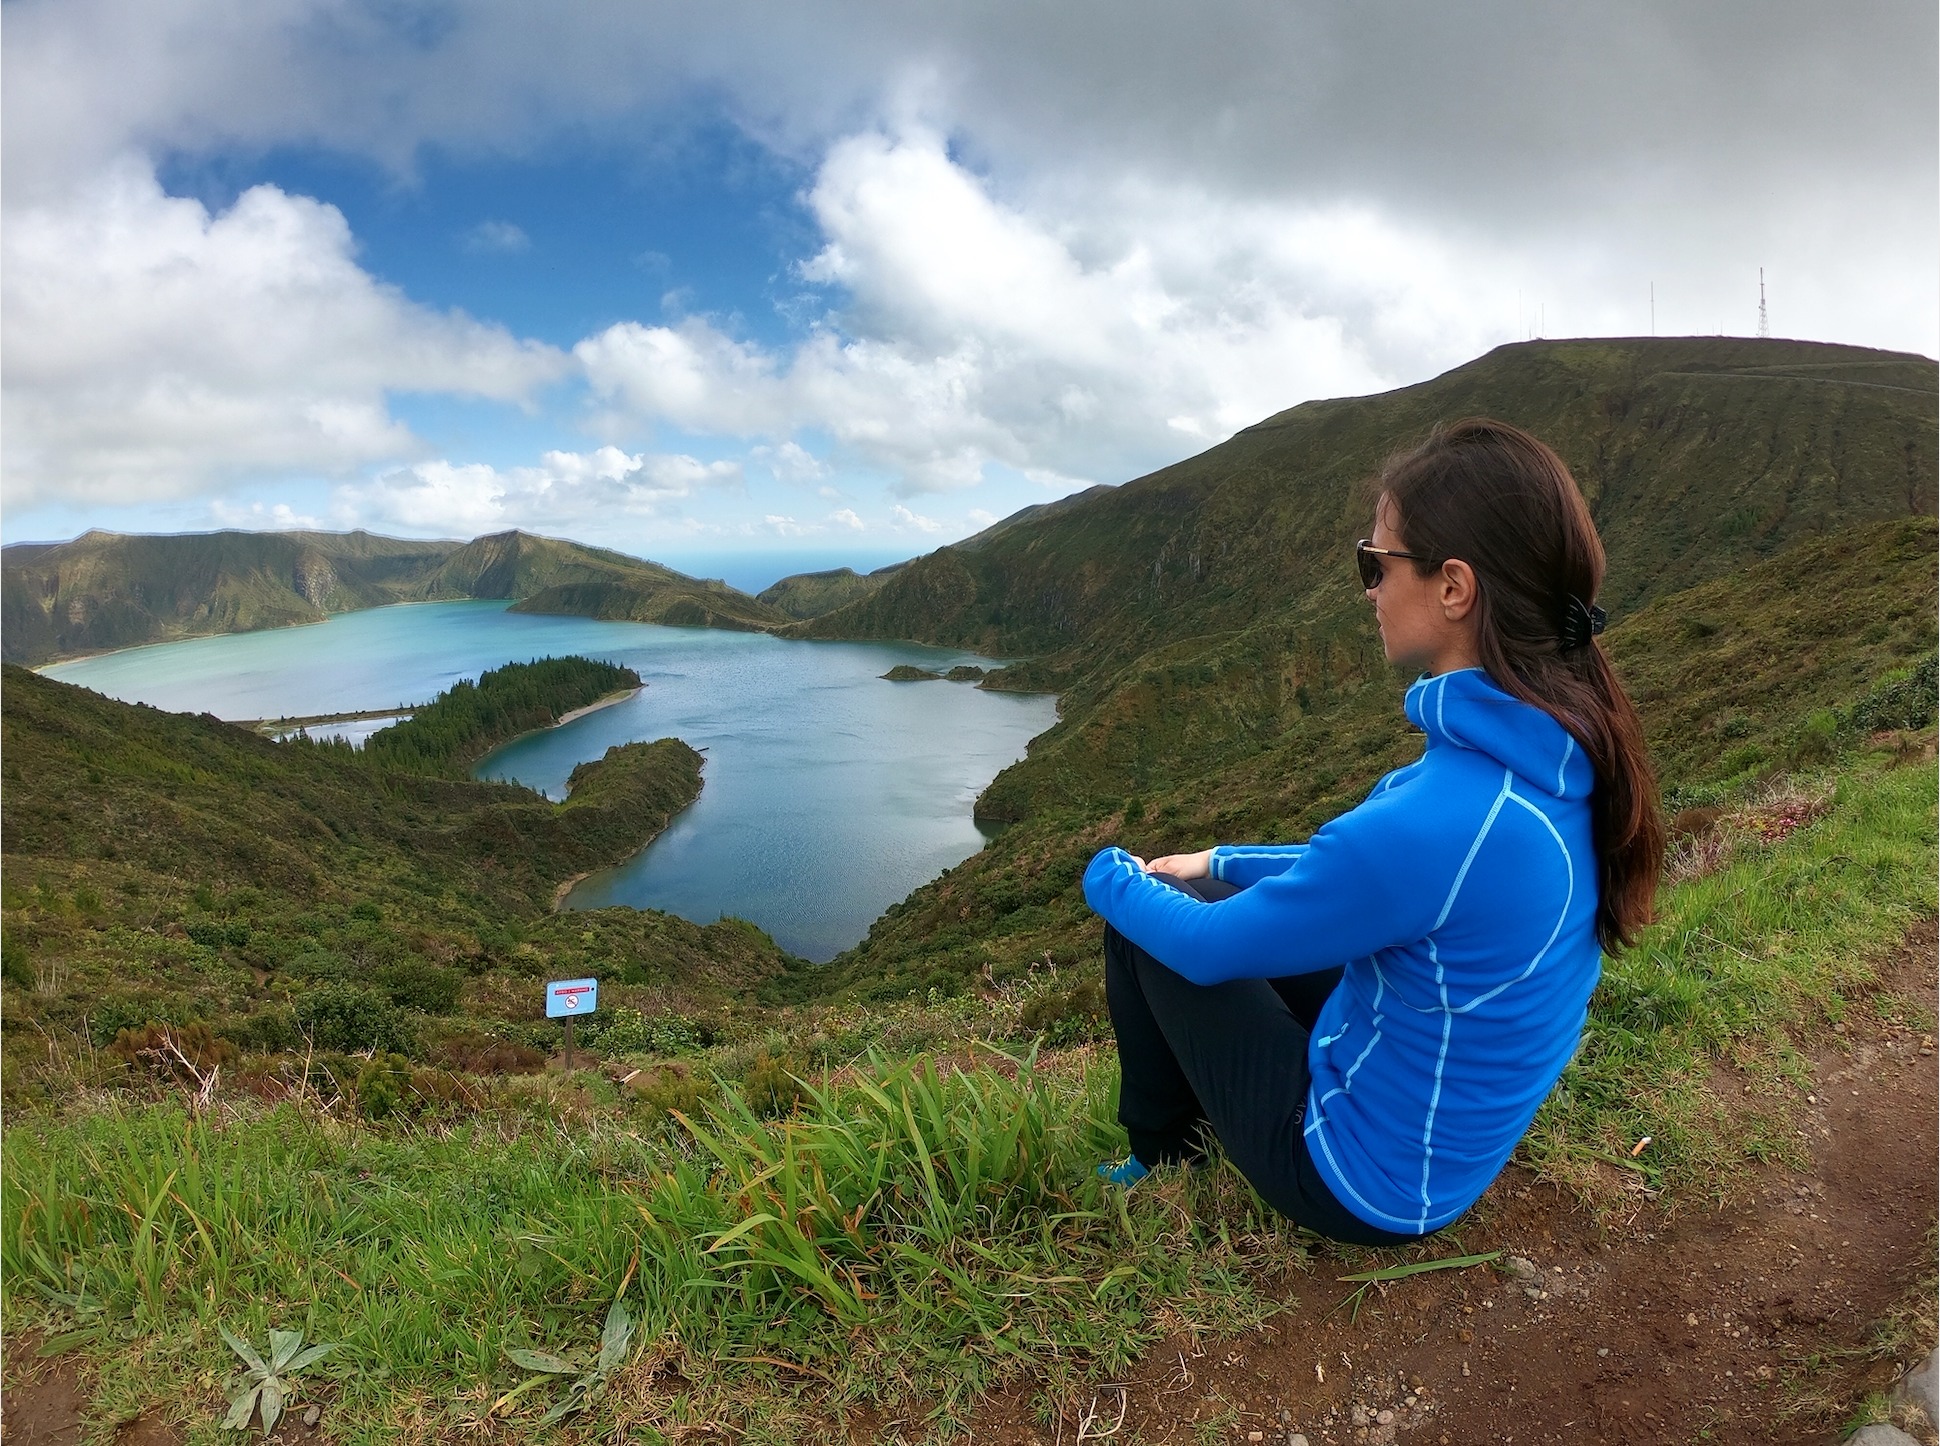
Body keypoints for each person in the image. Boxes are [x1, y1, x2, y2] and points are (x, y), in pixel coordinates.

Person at [1081, 418, 1665, 1245]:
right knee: (1194, 886)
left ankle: (1162, 1158)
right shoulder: (1559, 750)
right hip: (1445, 1136)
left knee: (1146, 923)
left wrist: (1109, 873)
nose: (1368, 589)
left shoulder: (1447, 817)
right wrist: (1220, 860)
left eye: (1376, 563)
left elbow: (1210, 948)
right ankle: (1188, 1115)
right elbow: (1364, 876)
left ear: (1454, 586)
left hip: (1365, 1182)